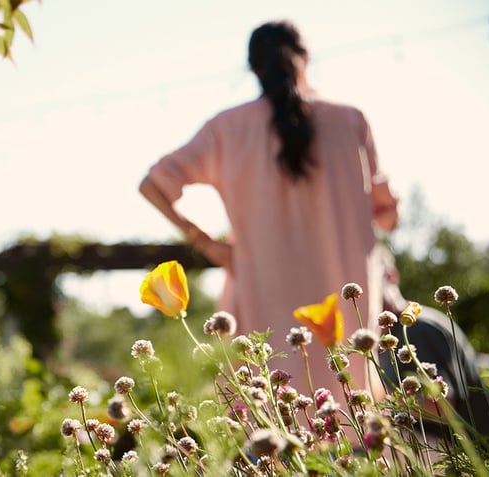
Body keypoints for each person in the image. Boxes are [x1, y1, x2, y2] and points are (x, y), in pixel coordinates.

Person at [139, 20, 399, 402]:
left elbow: (153, 184)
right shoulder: (350, 121)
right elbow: (387, 214)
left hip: (261, 287)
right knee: (351, 416)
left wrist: (209, 245)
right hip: (346, 296)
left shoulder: (226, 129)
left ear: (253, 69)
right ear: (305, 59)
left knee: (272, 416)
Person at [376, 245, 489, 438]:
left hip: (465, 458)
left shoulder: (415, 329)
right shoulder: (392, 335)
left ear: (391, 276)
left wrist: (377, 394)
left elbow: (443, 407)